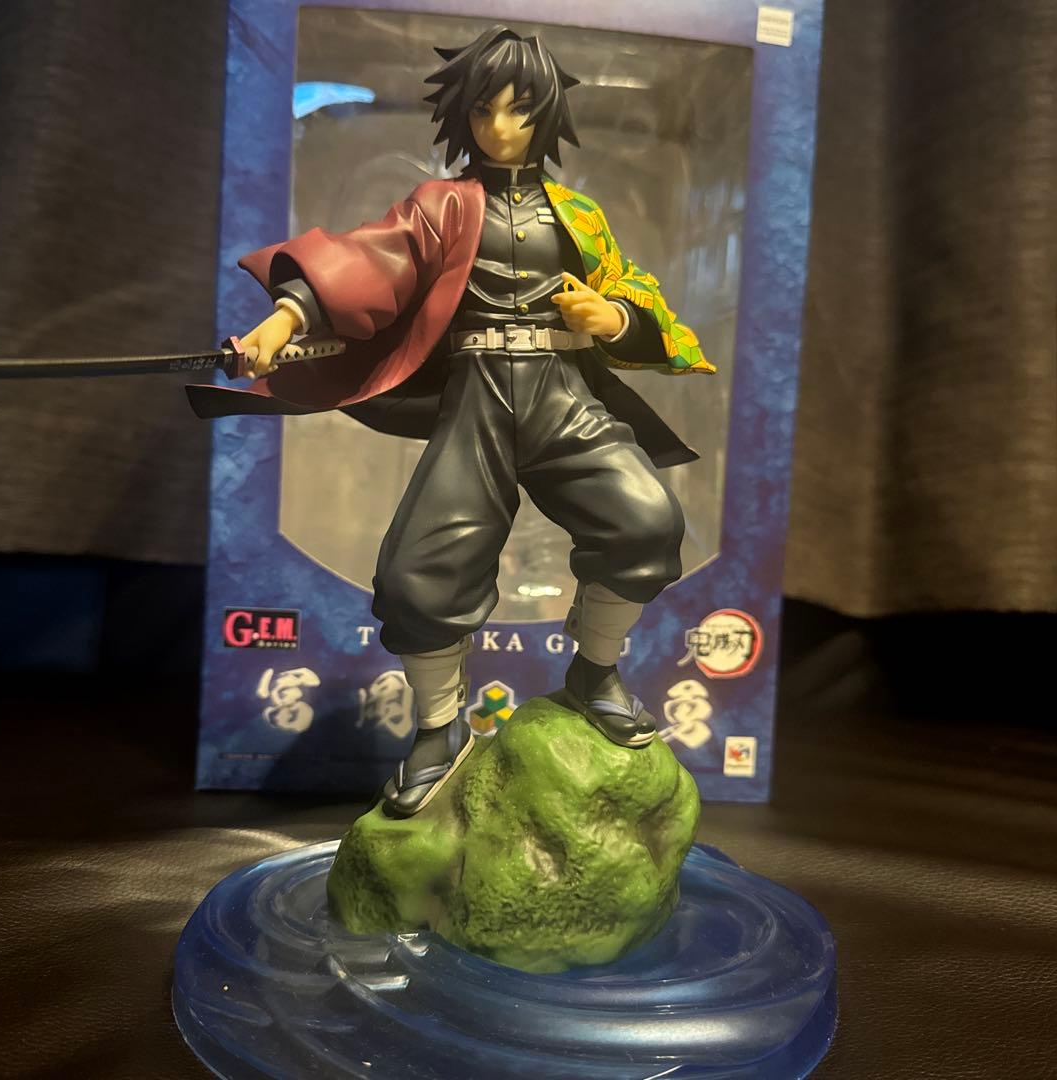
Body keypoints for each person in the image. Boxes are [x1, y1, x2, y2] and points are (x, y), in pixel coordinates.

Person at [190, 25, 715, 815]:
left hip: (563, 394)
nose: (500, 127)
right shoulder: (441, 206)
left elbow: (635, 292)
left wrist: (610, 317)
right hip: (477, 398)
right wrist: (285, 319)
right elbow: (367, 261)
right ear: (463, 115)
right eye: (484, 110)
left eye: (519, 109)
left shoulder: (578, 214)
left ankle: (595, 671)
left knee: (646, 522)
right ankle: (438, 730)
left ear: (548, 114)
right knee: (417, 574)